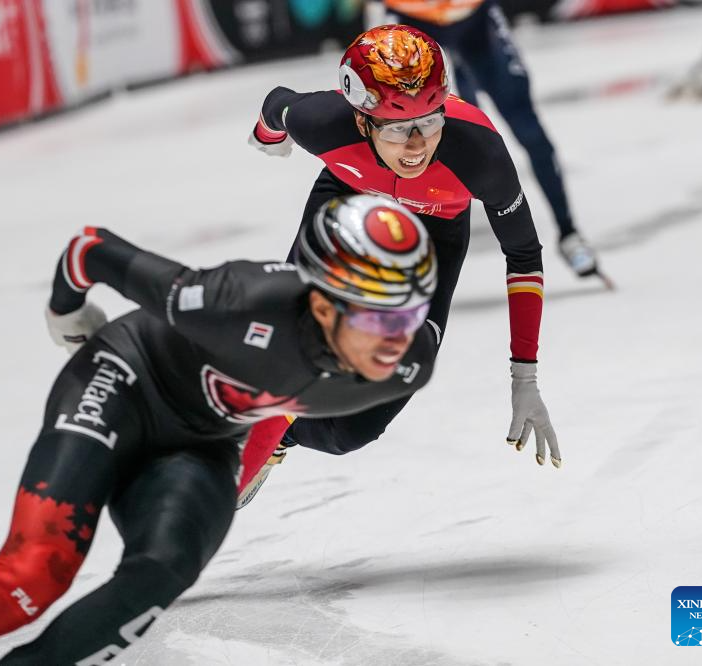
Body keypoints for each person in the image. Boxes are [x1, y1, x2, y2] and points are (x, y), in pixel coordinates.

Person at [0, 194, 443, 665]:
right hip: (121, 383)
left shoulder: (409, 365)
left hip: (202, 441)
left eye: (410, 313)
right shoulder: (238, 301)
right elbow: (92, 249)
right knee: (30, 578)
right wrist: (65, 312)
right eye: (377, 317)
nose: (396, 339)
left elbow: (285, 408)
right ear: (321, 305)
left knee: (162, 572)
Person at [240, 24, 561, 507]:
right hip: (347, 200)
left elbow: (523, 255)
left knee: (350, 431)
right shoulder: (322, 122)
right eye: (395, 128)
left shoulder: (478, 153)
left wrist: (525, 377)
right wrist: (268, 135)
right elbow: (276, 103)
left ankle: (281, 434)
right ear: (361, 121)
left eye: (429, 122)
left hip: (432, 237)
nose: (415, 145)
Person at [374, 1, 603, 279]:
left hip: (474, 20)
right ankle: (399, 239)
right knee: (409, 126)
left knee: (527, 128)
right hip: (415, 22)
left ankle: (569, 233)